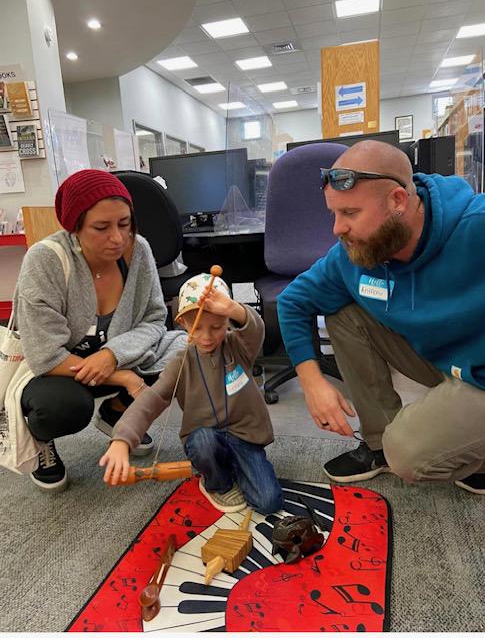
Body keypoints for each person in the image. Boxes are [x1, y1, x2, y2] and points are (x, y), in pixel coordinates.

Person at [277, 139, 485, 496]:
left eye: (351, 213)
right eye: (334, 214)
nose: (337, 229)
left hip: (479, 374)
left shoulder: (476, 228)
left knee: (408, 454)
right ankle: (378, 445)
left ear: (398, 201)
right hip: (442, 359)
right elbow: (292, 301)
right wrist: (311, 382)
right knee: (344, 313)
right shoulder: (354, 251)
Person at [16, 169, 186, 493]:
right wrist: (122, 376)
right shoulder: (45, 261)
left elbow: (154, 317)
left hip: (114, 355)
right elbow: (44, 356)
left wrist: (112, 356)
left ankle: (115, 412)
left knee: (185, 352)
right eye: (101, 227)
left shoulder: (139, 251)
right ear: (74, 226)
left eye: (124, 223)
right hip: (57, 372)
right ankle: (41, 440)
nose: (118, 238)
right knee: (65, 407)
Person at [99, 272, 283, 514]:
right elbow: (151, 400)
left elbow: (255, 328)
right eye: (198, 328)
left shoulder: (238, 346)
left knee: (269, 503)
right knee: (204, 442)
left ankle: (233, 465)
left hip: (245, 437)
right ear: (183, 324)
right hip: (205, 439)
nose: (206, 337)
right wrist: (122, 439)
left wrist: (232, 307)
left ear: (227, 322)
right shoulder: (180, 363)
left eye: (216, 327)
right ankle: (217, 483)